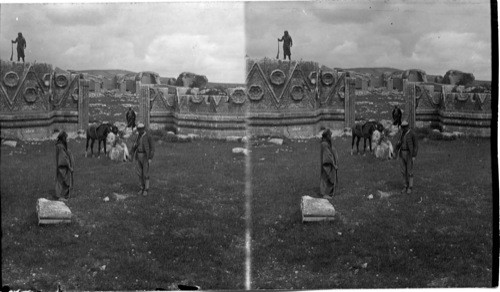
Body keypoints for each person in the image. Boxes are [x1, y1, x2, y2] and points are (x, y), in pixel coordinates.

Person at [130, 123, 155, 196]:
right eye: (138, 130)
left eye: (140, 130)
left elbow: (152, 148)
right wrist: (131, 153)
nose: (139, 131)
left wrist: (150, 158)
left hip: (145, 156)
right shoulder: (138, 136)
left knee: (145, 173)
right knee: (139, 173)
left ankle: (146, 189)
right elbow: (134, 146)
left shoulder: (148, 136)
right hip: (138, 156)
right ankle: (142, 188)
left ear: (143, 129)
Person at [395, 121, 418, 195]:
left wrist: (414, 155)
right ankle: (405, 186)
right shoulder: (402, 134)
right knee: (403, 171)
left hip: (409, 154)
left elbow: (416, 146)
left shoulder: (412, 134)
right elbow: (399, 143)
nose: (403, 129)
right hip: (402, 153)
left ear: (407, 127)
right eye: (402, 127)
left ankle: (410, 187)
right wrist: (396, 150)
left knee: (409, 171)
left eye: (404, 128)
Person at [55, 131, 74, 202]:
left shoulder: (60, 146)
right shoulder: (60, 147)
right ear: (63, 138)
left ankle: (62, 195)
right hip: (62, 167)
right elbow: (64, 158)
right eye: (65, 138)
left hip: (62, 167)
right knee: (62, 180)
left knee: (62, 180)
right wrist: (69, 167)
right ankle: (60, 196)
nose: (66, 139)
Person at [320, 129, 339, 199]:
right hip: (327, 164)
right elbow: (328, 156)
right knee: (326, 177)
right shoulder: (324, 144)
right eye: (330, 136)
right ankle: (324, 193)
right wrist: (334, 165)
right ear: (327, 136)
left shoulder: (327, 143)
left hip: (330, 164)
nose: (330, 137)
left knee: (330, 177)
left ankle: (329, 192)